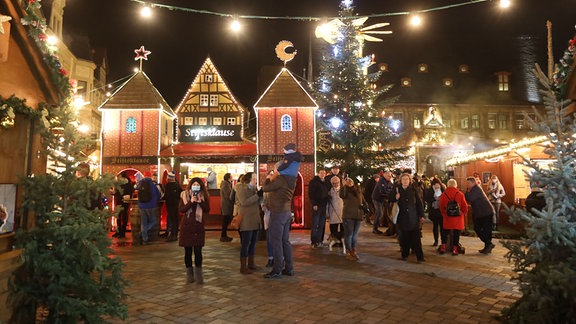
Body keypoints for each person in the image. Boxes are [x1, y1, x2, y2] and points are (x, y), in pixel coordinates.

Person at [261, 163, 296, 279]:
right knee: (285, 241)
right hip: (286, 212)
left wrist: (267, 179)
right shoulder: (290, 179)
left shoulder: (280, 179)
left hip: (278, 213)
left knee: (276, 241)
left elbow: (265, 188)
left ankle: (277, 269)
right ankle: (289, 268)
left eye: (275, 169)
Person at [178, 177, 210, 284]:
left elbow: (207, 209)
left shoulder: (203, 196)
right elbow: (182, 210)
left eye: (198, 185)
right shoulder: (185, 195)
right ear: (190, 185)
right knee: (187, 252)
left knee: (198, 251)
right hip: (186, 227)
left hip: (198, 227)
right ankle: (189, 275)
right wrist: (191, 202)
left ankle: (199, 275)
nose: (196, 186)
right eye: (194, 184)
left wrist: (200, 202)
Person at [390, 173, 425, 263]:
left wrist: (421, 215)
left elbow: (419, 203)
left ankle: (420, 257)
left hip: (413, 217)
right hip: (402, 217)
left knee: (416, 238)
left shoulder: (414, 190)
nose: (405, 181)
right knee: (404, 237)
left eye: (407, 179)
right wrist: (395, 197)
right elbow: (390, 200)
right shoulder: (397, 190)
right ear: (400, 180)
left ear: (410, 181)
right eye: (403, 179)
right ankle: (405, 255)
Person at [234, 172, 262, 274]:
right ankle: (243, 266)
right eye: (254, 178)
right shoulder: (241, 188)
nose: (256, 180)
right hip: (246, 220)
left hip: (255, 219)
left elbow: (256, 202)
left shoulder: (254, 189)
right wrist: (257, 196)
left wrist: (260, 196)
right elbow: (244, 202)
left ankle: (251, 263)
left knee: (253, 243)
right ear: (248, 179)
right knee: (245, 243)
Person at [465, 176, 495, 254]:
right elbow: (468, 198)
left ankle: (488, 245)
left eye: (468, 183)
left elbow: (470, 198)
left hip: (486, 212)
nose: (467, 185)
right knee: (478, 228)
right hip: (481, 213)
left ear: (473, 183)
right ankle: (488, 245)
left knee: (485, 230)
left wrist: (467, 191)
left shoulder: (476, 189)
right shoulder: (473, 189)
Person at [439, 179, 468, 255]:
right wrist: (462, 213)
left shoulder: (443, 194)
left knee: (444, 232)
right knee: (456, 234)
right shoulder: (460, 194)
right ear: (456, 185)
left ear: (448, 185)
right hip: (458, 218)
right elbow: (465, 207)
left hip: (447, 218)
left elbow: (441, 207)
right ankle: (455, 249)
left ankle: (443, 247)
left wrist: (444, 214)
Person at [136, 171, 162, 244]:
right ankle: (142, 232)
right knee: (153, 221)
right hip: (151, 206)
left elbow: (136, 190)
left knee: (143, 223)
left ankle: (145, 239)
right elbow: (158, 195)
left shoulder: (141, 184)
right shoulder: (152, 185)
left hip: (141, 206)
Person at [341, 177, 363, 260]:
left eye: (351, 181)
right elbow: (342, 195)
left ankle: (353, 249)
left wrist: (366, 208)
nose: (349, 182)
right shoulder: (345, 191)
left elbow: (362, 200)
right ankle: (349, 250)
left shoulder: (358, 190)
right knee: (349, 234)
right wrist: (343, 186)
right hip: (348, 215)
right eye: (347, 181)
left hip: (358, 215)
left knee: (355, 234)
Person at [308, 169, 329, 248]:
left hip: (323, 206)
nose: (323, 174)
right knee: (315, 224)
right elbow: (311, 194)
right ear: (318, 173)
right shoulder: (314, 182)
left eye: (324, 173)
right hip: (317, 206)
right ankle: (314, 242)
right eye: (321, 173)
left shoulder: (325, 183)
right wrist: (314, 204)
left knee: (322, 225)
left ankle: (320, 241)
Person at [424, 177, 445, 246]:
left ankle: (443, 241)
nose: (436, 186)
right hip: (434, 210)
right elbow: (427, 199)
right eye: (435, 185)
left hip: (441, 210)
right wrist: (434, 199)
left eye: (438, 185)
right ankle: (436, 240)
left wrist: (441, 199)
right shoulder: (430, 190)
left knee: (442, 226)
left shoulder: (442, 189)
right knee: (435, 226)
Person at [372, 171, 394, 235]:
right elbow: (383, 191)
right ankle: (375, 228)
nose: (390, 177)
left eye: (390, 176)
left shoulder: (387, 181)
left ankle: (376, 227)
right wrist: (390, 194)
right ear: (385, 175)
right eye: (389, 176)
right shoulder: (382, 181)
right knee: (379, 213)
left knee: (379, 213)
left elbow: (390, 188)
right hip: (377, 199)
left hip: (381, 199)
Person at [113, 171, 134, 239]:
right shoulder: (118, 184)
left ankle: (123, 231)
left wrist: (127, 196)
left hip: (125, 202)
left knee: (124, 215)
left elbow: (131, 191)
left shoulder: (128, 184)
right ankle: (118, 231)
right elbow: (116, 192)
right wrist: (113, 193)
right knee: (118, 216)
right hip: (118, 201)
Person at [326, 176, 344, 251]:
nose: (335, 184)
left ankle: (342, 243)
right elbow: (327, 203)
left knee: (343, 230)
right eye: (333, 183)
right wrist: (327, 213)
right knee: (333, 229)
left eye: (337, 183)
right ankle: (335, 242)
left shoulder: (343, 190)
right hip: (333, 212)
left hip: (343, 211)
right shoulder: (329, 192)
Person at [164, 171, 182, 242]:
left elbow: (165, 196)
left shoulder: (167, 186)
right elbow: (180, 194)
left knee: (172, 219)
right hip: (176, 204)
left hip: (170, 204)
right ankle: (175, 234)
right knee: (175, 219)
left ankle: (172, 235)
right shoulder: (177, 185)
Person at [261, 171, 274, 268]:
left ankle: (279, 258)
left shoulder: (277, 186)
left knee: (277, 238)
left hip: (276, 214)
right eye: (270, 174)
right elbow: (263, 199)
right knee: (269, 238)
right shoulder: (265, 188)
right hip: (268, 214)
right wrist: (263, 205)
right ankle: (271, 258)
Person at [219, 173, 234, 242]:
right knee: (226, 220)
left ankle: (224, 235)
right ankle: (223, 235)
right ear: (228, 178)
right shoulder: (226, 185)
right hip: (226, 205)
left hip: (226, 205)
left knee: (226, 220)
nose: (232, 178)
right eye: (231, 177)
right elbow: (229, 195)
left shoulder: (225, 184)